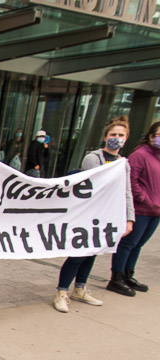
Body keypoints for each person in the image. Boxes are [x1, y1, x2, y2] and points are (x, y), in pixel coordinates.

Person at [53, 116, 135, 311]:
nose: (117, 138)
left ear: (126, 138)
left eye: (121, 135)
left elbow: (126, 191)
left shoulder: (124, 163)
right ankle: (62, 291)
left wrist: (129, 218)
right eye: (113, 134)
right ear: (105, 137)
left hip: (107, 216)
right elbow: (92, 187)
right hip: (88, 215)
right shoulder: (94, 158)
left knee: (93, 253)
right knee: (78, 254)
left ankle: (80, 288)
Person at [107, 121, 160, 295]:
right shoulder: (141, 154)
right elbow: (131, 180)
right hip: (141, 208)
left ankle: (129, 273)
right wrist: (143, 198)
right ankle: (117, 277)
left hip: (155, 210)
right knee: (128, 243)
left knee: (138, 244)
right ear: (151, 136)